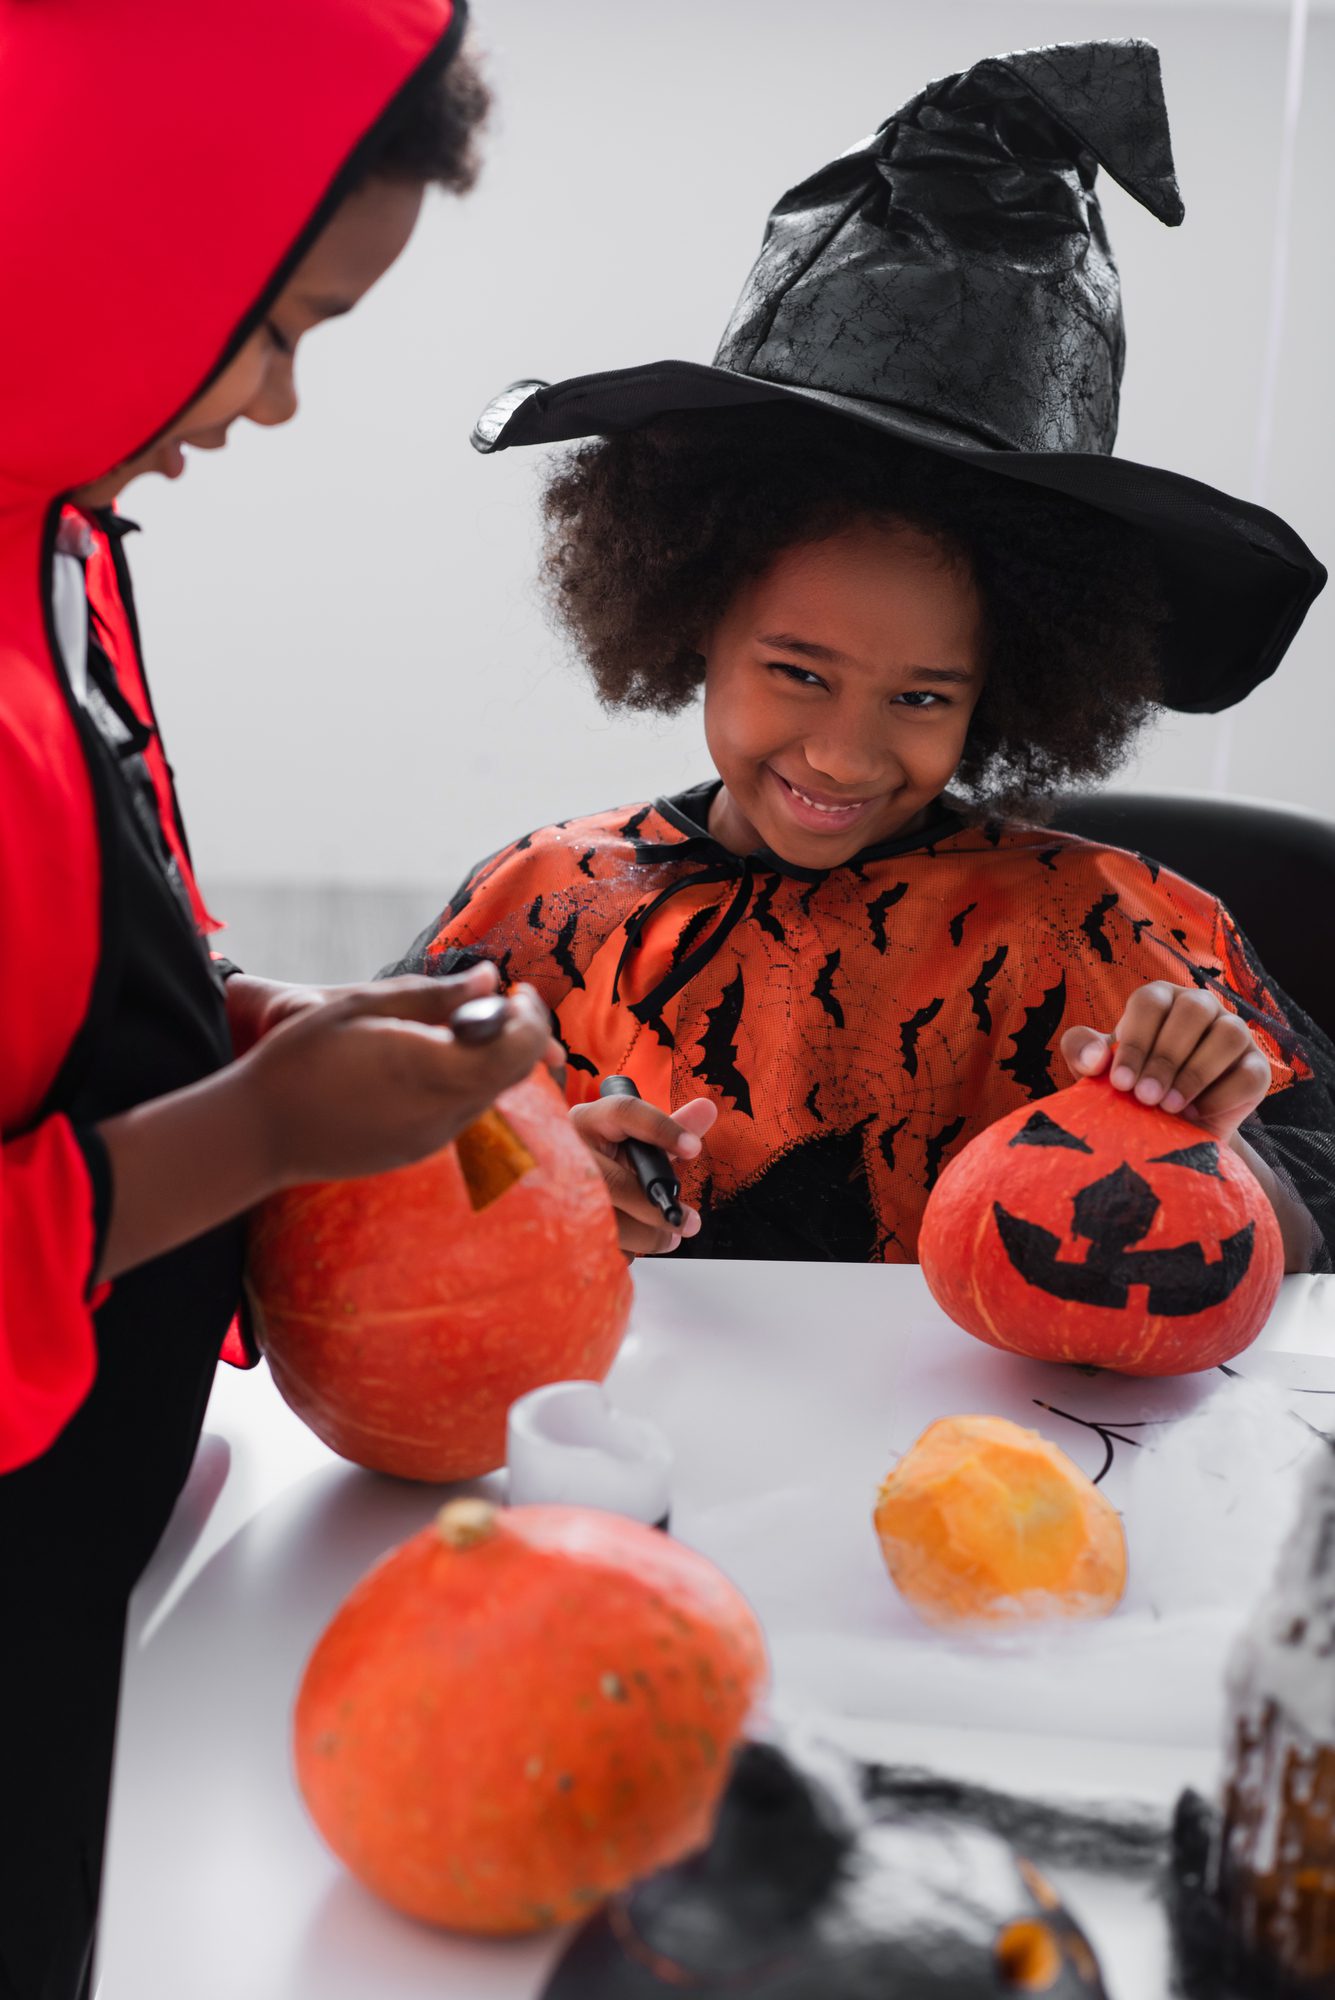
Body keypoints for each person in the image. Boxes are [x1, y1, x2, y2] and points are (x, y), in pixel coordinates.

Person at [389, 38, 1334, 1272]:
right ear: (687, 605)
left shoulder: (1111, 934)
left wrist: (1221, 1151)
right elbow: (350, 1169)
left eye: (924, 694)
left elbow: (1320, 1220)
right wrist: (521, 1172)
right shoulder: (538, 908)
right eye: (797, 670)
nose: (844, 749)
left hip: (1005, 1461)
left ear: (1010, 682)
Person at [0, 3, 552, 1992]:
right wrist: (253, 1136)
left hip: (82, 1557)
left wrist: (234, 1016)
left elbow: (78, 946)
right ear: (98, 227)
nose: (279, 401)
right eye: (283, 321)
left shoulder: (57, 533)